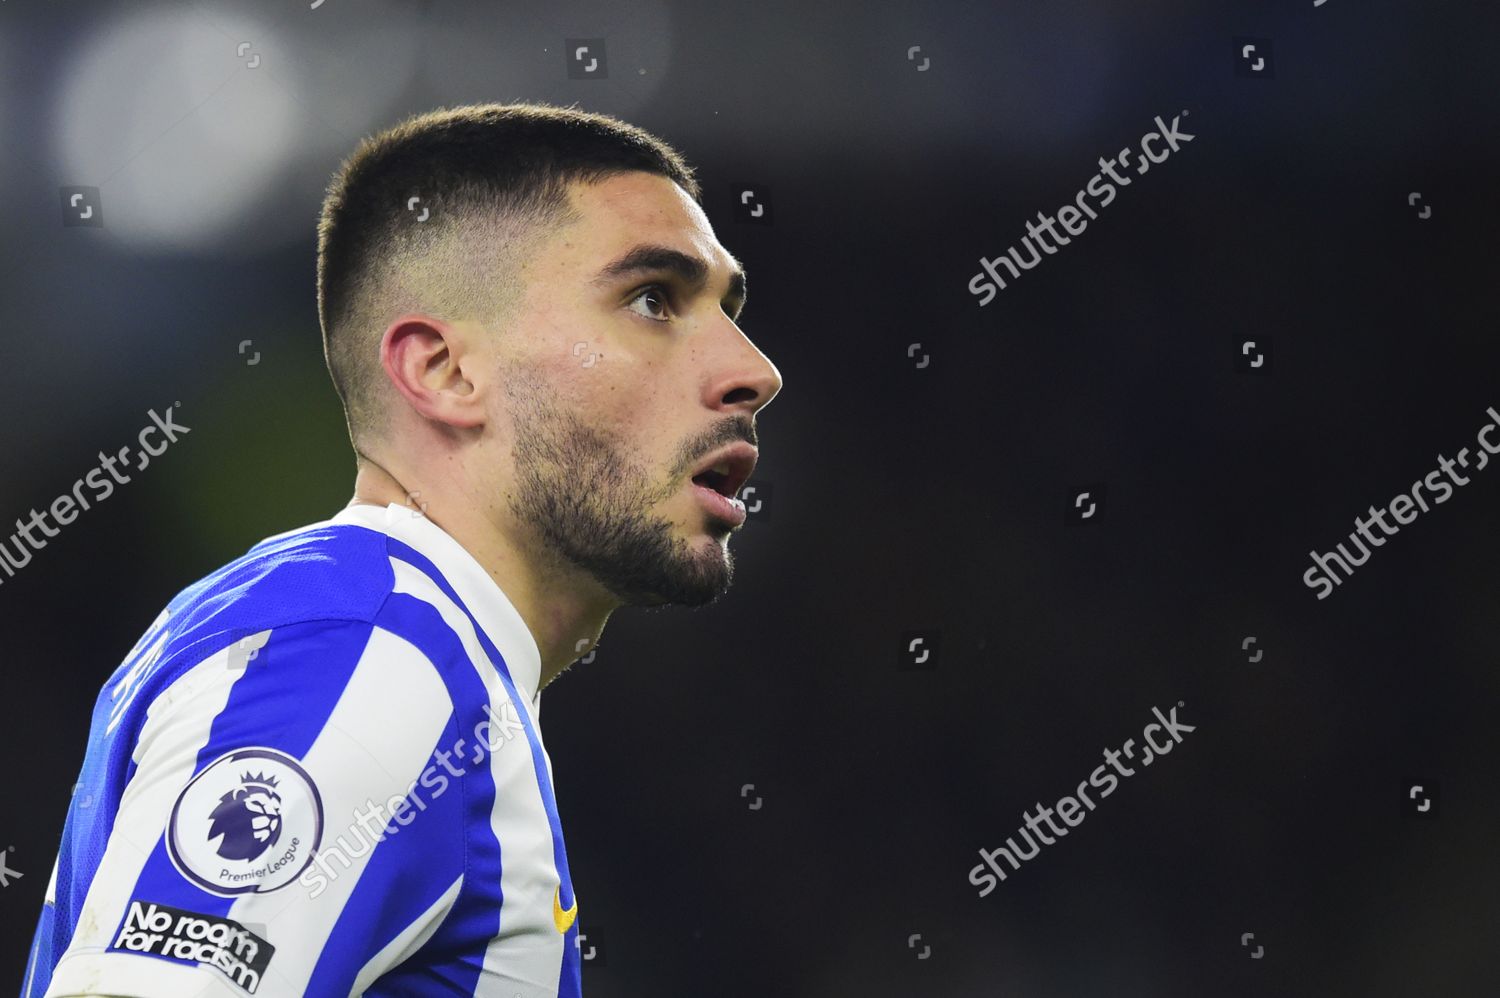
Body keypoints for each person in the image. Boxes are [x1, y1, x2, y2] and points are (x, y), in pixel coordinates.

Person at [23, 100, 783, 998]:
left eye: (726, 309)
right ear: (442, 372)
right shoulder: (369, 655)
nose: (754, 371)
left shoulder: (372, 639)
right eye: (653, 299)